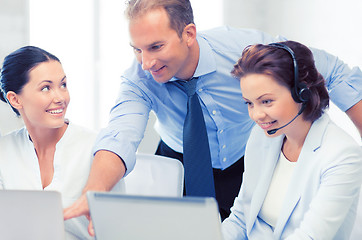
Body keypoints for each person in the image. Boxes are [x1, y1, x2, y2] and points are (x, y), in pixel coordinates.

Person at [64, 0, 362, 228]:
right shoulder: (137, 80)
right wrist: (95, 191)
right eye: (137, 50)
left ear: (188, 33)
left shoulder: (242, 49)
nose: (146, 63)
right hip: (182, 161)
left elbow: (334, 71)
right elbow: (120, 135)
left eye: (156, 46)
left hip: (247, 155)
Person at [221, 41, 362, 239]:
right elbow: (241, 218)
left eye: (266, 101)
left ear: (302, 92)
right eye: (249, 103)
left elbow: (310, 236)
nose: (256, 115)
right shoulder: (262, 137)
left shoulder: (342, 154)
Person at [0, 46, 122, 239]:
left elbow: (117, 229)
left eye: (63, 85)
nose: (60, 98)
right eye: (46, 88)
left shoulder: (100, 150)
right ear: (15, 99)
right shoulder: (4, 151)